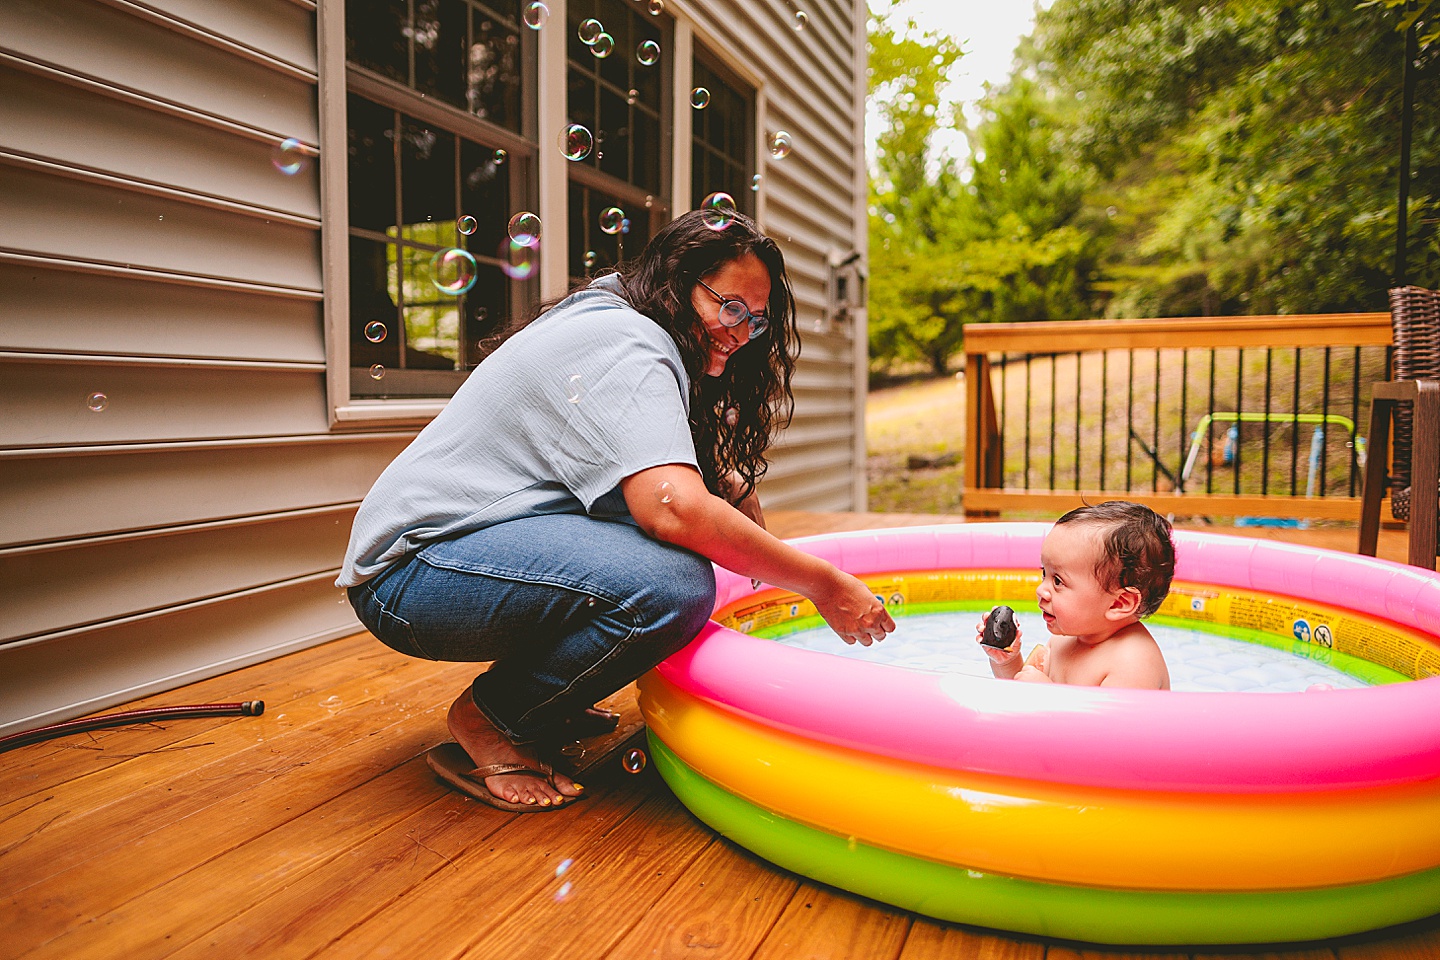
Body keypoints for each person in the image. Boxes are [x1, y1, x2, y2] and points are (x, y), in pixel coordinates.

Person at [337, 210, 895, 812]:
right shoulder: (623, 341)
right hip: (413, 574)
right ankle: (489, 717)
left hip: (455, 554)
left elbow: (631, 466)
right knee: (670, 584)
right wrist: (822, 582)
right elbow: (671, 511)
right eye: (729, 306)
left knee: (660, 560)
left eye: (756, 321)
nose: (740, 332)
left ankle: (545, 699)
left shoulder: (616, 323)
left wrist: (724, 481)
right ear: (678, 282)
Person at [977, 501, 1174, 689]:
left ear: (1119, 603)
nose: (1040, 590)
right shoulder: (1062, 641)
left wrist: (1046, 694)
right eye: (1044, 573)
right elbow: (1023, 692)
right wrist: (1006, 661)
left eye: (1058, 581)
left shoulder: (1132, 663)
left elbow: (1106, 724)